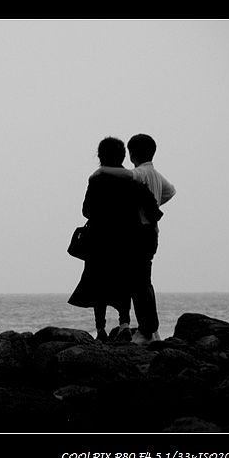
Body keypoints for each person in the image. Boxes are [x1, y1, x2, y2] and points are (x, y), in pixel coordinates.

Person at [68, 137, 163, 342]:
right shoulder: (132, 179)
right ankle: (124, 324)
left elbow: (86, 210)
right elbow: (153, 207)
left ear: (100, 156)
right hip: (127, 238)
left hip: (99, 239)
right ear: (123, 156)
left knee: (98, 281)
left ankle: (101, 329)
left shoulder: (96, 180)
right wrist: (150, 224)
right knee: (124, 281)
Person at [89, 133, 176, 345]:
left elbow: (123, 174)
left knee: (138, 284)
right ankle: (152, 331)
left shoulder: (139, 174)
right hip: (152, 233)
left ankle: (146, 332)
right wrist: (156, 203)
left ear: (132, 154)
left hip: (140, 232)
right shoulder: (155, 174)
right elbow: (170, 191)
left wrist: (100, 171)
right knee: (144, 282)